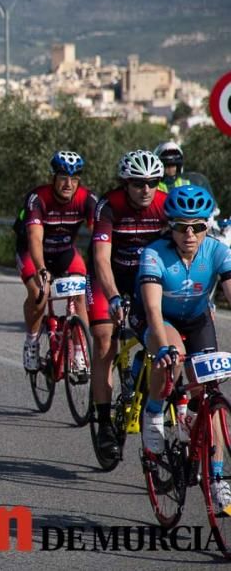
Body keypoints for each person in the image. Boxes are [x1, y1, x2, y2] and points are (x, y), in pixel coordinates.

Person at [137, 185, 231, 511]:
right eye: (180, 226)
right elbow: (150, 309)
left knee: (209, 391)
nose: (189, 234)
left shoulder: (218, 251)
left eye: (197, 226)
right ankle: (152, 414)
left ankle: (217, 478)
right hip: (163, 320)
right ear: (170, 227)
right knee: (173, 357)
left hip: (197, 320)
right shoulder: (154, 254)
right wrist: (162, 347)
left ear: (208, 226)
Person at [89, 150, 167, 460]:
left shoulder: (165, 204)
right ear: (126, 184)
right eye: (138, 184)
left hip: (146, 279)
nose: (146, 190)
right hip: (109, 279)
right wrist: (112, 297)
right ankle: (106, 423)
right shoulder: (109, 207)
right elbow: (100, 260)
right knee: (105, 341)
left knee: (164, 334)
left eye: (152, 183)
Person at [15, 151, 97, 372]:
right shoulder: (38, 198)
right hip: (33, 252)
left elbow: (100, 234)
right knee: (39, 294)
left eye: (74, 178)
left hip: (64, 252)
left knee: (81, 293)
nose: (68, 183)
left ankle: (80, 352)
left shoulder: (87, 199)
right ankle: (31, 343)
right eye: (63, 177)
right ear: (53, 177)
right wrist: (41, 268)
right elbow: (34, 237)